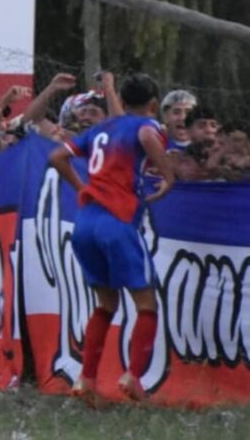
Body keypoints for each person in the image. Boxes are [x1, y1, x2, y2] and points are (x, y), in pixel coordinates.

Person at [47, 73, 174, 405]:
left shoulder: (101, 129)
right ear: (153, 105)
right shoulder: (148, 125)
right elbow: (146, 133)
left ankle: (86, 380)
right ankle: (132, 375)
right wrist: (169, 175)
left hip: (85, 223)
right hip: (118, 223)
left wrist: (83, 188)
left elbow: (56, 157)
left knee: (105, 304)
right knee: (146, 303)